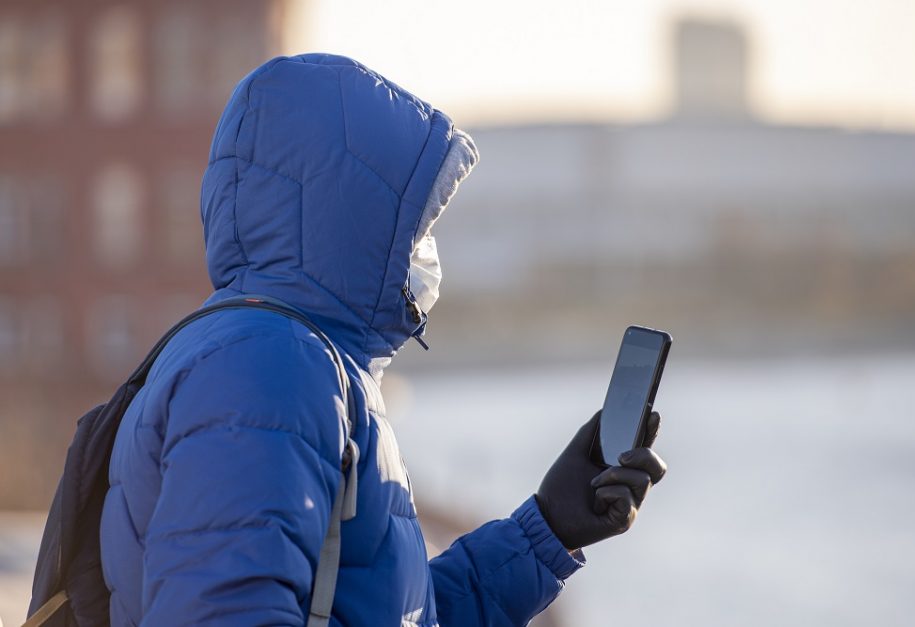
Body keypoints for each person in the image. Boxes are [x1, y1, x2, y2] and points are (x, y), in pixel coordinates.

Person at [100, 53, 667, 626]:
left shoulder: (288, 356)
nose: (421, 249)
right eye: (414, 226)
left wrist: (547, 529)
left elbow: (390, 614)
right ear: (350, 218)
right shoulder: (270, 366)